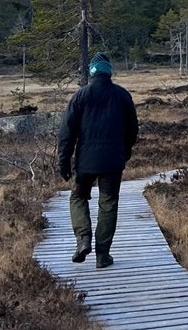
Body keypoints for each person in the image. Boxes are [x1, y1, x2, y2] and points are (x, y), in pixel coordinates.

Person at [57, 53, 138, 269]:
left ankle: (83, 240)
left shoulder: (80, 96)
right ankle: (103, 256)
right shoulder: (122, 95)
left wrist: (63, 162)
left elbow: (66, 133)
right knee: (108, 205)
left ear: (91, 72)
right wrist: (125, 152)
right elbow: (133, 129)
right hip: (113, 161)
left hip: (85, 162)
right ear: (109, 71)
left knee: (78, 198)